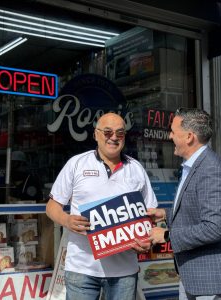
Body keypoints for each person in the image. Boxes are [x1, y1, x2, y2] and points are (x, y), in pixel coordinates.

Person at [46, 112, 157, 300]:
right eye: (107, 132)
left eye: (120, 133)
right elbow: (51, 207)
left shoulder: (136, 169)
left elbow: (149, 215)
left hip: (124, 271)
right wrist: (66, 219)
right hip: (82, 268)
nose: (114, 137)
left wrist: (147, 240)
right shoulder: (77, 164)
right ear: (95, 134)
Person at [148, 108, 221, 300]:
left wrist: (167, 235)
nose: (169, 136)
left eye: (173, 131)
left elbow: (212, 228)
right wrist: (165, 214)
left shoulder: (210, 170)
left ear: (189, 137)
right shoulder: (195, 165)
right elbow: (196, 210)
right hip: (196, 276)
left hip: (212, 279)